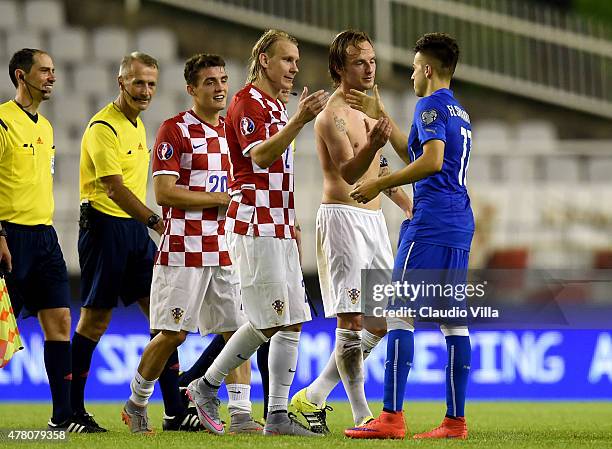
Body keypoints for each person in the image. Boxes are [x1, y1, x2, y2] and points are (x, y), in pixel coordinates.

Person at [186, 29, 328, 437]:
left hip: (279, 223)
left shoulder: (276, 106)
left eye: (296, 62)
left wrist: (293, 221)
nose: (294, 68)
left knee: (294, 319)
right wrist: (301, 118)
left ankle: (279, 416)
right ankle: (205, 385)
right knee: (268, 320)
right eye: (287, 60)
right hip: (253, 224)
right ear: (264, 60)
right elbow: (261, 157)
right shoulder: (247, 102)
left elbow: (282, 173)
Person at [122, 53, 263, 435]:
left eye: (223, 80)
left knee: (236, 331)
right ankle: (136, 402)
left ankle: (240, 415)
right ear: (191, 89)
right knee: (173, 334)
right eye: (210, 82)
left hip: (224, 247)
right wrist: (219, 200)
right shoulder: (176, 129)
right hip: (184, 247)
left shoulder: (233, 132)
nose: (219, 88)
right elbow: (164, 192)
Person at [344, 32, 474, 439]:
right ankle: (455, 422)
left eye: (416, 66)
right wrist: (382, 114)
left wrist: (380, 185)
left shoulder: (429, 105)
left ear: (429, 69)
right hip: (458, 222)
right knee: (453, 323)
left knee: (400, 312)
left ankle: (391, 417)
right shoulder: (458, 111)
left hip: (431, 220)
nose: (413, 73)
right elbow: (420, 154)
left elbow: (430, 163)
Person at [290, 30, 412, 434]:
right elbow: (349, 172)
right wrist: (375, 141)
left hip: (374, 223)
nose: (370, 68)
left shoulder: (369, 111)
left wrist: (408, 203)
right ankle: (363, 415)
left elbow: (377, 172)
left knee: (380, 323)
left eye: (372, 60)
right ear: (339, 68)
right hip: (342, 218)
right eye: (360, 62)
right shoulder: (331, 115)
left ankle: (313, 396)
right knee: (352, 319)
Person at [0, 48, 98, 433]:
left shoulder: (45, 126)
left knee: (59, 321)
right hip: (9, 237)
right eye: (44, 71)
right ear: (21, 76)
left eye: (55, 70)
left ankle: (63, 415)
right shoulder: (3, 121)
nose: (52, 77)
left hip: (44, 237)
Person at [71, 52, 163, 432]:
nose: (145, 91)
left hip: (133, 232)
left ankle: (174, 409)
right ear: (121, 82)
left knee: (163, 316)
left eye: (151, 84)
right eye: (138, 82)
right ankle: (71, 410)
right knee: (95, 321)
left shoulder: (137, 126)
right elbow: (113, 189)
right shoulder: (102, 128)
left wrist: (146, 225)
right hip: (105, 227)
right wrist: (157, 220)